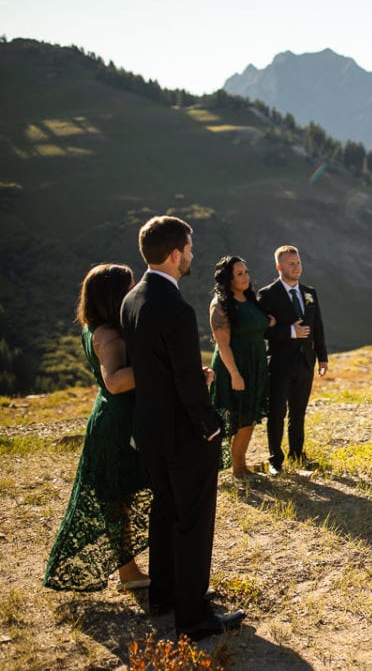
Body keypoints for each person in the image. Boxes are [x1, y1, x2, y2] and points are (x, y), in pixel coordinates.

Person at [120, 215, 245, 639]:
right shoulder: (175, 308)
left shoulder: (131, 299)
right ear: (175, 255)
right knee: (193, 522)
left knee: (164, 511)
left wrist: (193, 375)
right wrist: (210, 426)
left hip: (150, 428)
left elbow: (157, 368)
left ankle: (165, 596)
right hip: (184, 433)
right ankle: (193, 617)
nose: (192, 256)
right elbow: (186, 383)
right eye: (189, 250)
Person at [44, 264, 151, 592]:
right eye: (130, 287)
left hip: (119, 417)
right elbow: (116, 382)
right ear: (114, 295)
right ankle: (128, 572)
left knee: (121, 495)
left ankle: (130, 571)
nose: (135, 292)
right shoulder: (108, 335)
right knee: (116, 498)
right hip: (116, 422)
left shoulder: (99, 328)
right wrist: (160, 365)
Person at [257, 245, 328, 476]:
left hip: (306, 362)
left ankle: (297, 455)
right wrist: (289, 332)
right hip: (279, 363)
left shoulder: (310, 292)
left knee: (299, 412)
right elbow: (262, 331)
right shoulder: (267, 295)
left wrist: (322, 357)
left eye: (298, 263)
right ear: (279, 267)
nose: (296, 267)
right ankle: (275, 461)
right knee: (277, 413)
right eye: (291, 264)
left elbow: (317, 326)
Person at [209, 255, 274, 480]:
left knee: (250, 416)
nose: (245, 277)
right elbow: (223, 344)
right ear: (228, 278)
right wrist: (235, 374)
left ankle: (241, 466)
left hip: (255, 364)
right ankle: (237, 470)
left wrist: (269, 321)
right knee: (236, 418)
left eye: (246, 272)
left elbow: (257, 324)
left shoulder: (250, 299)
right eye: (239, 274)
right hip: (234, 366)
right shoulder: (220, 305)